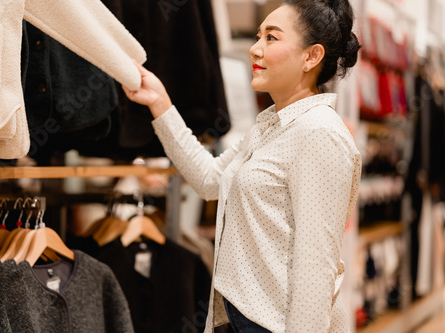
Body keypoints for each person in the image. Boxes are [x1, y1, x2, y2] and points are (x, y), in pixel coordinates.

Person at [123, 0, 361, 331]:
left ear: (311, 56)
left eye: (271, 38)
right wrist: (160, 103)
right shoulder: (270, 126)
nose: (255, 49)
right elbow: (208, 179)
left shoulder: (319, 133)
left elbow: (316, 265)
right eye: (258, 36)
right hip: (239, 317)